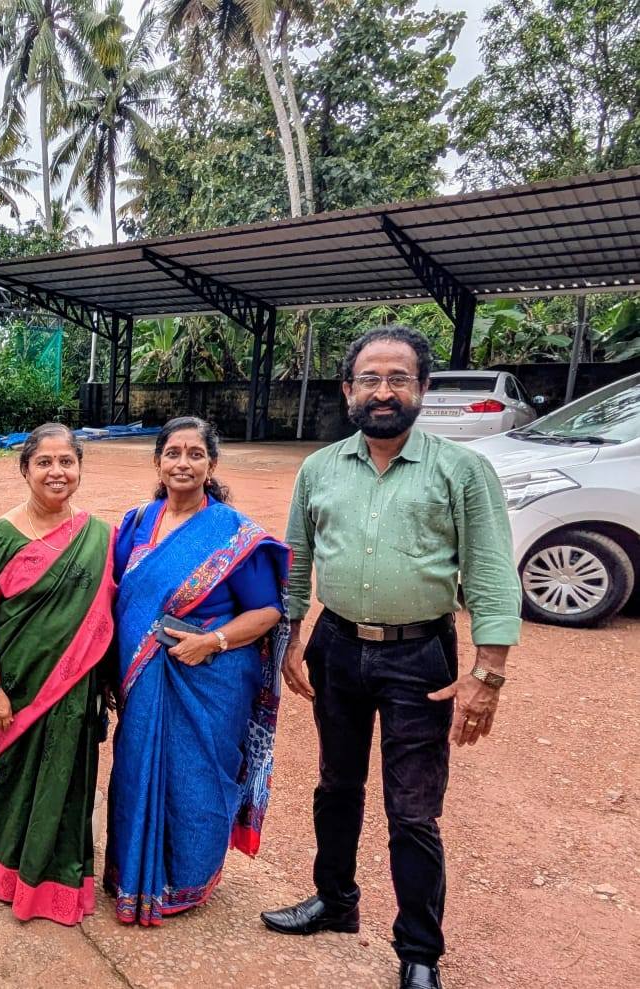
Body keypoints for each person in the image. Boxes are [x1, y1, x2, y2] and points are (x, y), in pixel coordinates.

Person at [262, 326, 521, 989]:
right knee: (335, 786)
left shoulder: (461, 470)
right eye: (370, 378)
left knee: (412, 810)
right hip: (337, 647)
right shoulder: (319, 469)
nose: (383, 391)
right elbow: (297, 561)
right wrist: (292, 636)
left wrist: (488, 673)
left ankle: (420, 953)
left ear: (422, 387)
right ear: (347, 389)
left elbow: (491, 573)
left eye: (398, 378)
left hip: (420, 657)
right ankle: (335, 902)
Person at [106, 416, 289, 927]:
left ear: (211, 464)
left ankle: (185, 881)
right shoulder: (136, 524)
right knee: (135, 770)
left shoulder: (232, 533)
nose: (183, 463)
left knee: (197, 780)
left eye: (195, 454)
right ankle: (132, 876)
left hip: (211, 680)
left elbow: (267, 611)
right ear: (158, 462)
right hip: (144, 680)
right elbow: (120, 601)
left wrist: (212, 641)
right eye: (173, 453)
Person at [0, 424, 115, 926]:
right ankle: (11, 874)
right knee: (14, 782)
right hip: (18, 692)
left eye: (66, 462)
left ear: (79, 469)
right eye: (44, 462)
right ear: (25, 469)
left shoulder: (100, 537)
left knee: (68, 788)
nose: (57, 472)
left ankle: (61, 884)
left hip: (75, 693)